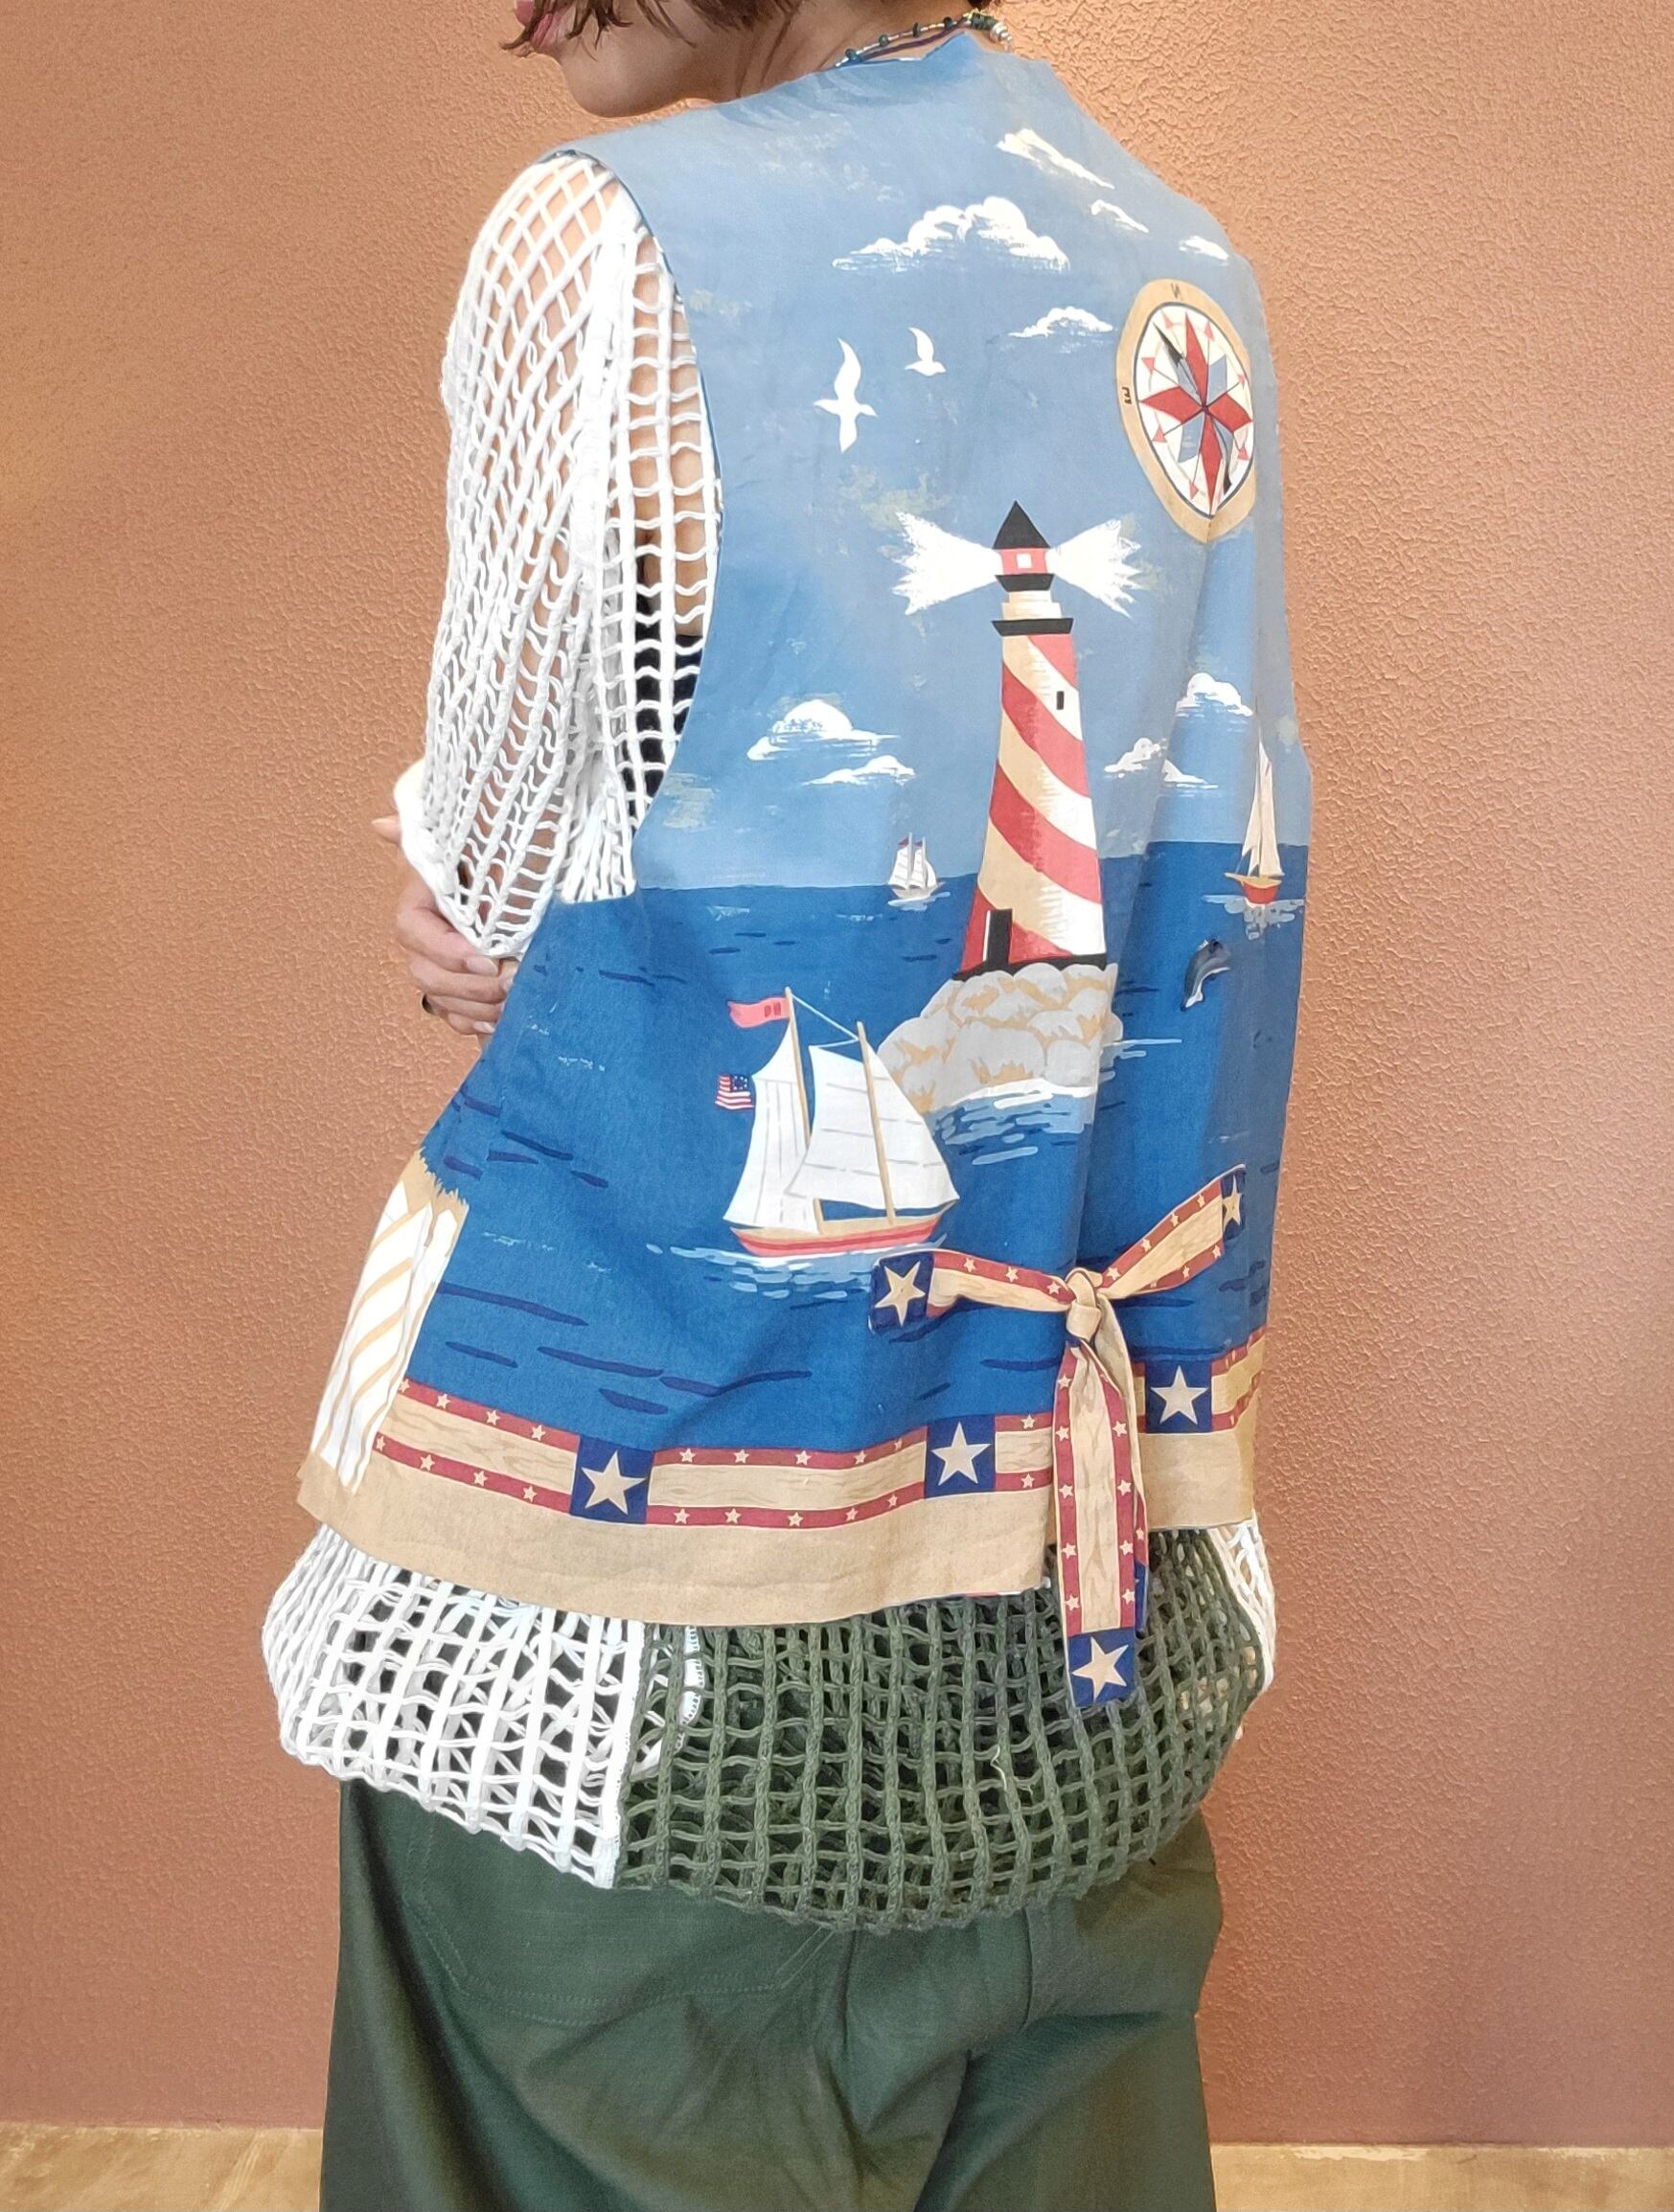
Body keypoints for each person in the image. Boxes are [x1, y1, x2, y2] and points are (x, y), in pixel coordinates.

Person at [263, 4, 1311, 2206]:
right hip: (1083, 1581)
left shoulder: (606, 240)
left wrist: (490, 905)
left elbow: (495, 865)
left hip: (649, 1582)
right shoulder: (1185, 270)